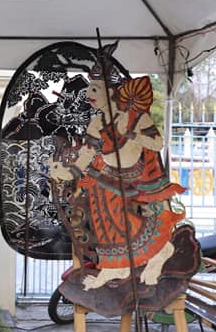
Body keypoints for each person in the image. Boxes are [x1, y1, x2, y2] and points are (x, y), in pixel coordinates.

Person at [49, 53, 184, 290]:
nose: (89, 95)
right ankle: (116, 266)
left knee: (131, 224)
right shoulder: (96, 123)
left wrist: (131, 133)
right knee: (104, 225)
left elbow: (157, 143)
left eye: (95, 89)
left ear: (111, 92)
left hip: (135, 181)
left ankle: (158, 254)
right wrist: (67, 173)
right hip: (107, 180)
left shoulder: (135, 117)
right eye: (89, 89)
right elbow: (85, 156)